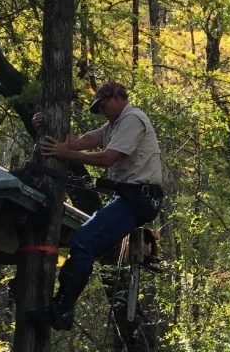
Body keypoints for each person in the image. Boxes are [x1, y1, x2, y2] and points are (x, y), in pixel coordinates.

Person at [27, 80, 165, 331]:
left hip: (138, 198)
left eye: (102, 106)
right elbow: (78, 141)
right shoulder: (114, 125)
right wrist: (46, 125)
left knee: (83, 242)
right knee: (84, 242)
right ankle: (61, 309)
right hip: (128, 197)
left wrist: (65, 154)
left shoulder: (132, 119)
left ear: (116, 98)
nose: (102, 112)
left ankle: (62, 310)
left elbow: (107, 157)